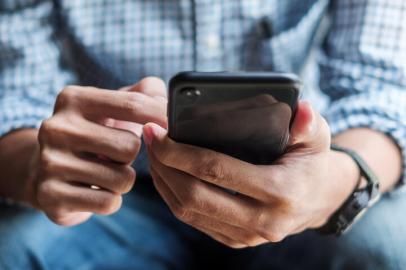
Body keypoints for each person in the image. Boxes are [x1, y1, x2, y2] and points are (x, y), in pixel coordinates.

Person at [0, 0, 405, 269]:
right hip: (120, 193)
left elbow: (382, 87)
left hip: (300, 180)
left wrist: (335, 187)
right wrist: (38, 169)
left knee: (389, 246)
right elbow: (13, 93)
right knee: (14, 248)